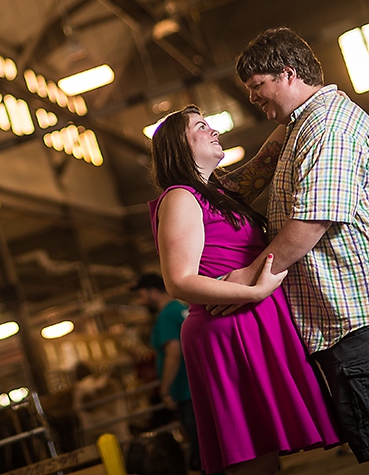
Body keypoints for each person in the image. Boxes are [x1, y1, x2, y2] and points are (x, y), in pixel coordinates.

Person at [228, 27, 369, 474]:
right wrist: (194, 182)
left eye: (258, 87)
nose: (254, 100)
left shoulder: (327, 125)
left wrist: (250, 274)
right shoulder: (302, 125)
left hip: (357, 314)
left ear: (288, 73)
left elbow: (312, 220)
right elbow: (250, 178)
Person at [149, 105, 341, 474]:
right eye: (201, 127)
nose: (214, 130)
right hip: (228, 328)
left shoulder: (217, 192)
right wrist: (253, 293)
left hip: (252, 322)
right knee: (251, 455)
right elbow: (179, 280)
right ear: (179, 145)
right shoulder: (180, 198)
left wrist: (308, 103)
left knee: (264, 450)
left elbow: (266, 157)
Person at [131, 273, 206, 473]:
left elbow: (173, 352)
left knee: (202, 449)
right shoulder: (181, 308)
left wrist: (165, 389)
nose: (140, 301)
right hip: (198, 386)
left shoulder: (165, 315)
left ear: (152, 292)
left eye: (141, 296)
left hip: (184, 391)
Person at [71, 361, 130, 447]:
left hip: (92, 435)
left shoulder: (78, 390)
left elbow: (77, 411)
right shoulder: (111, 384)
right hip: (117, 430)